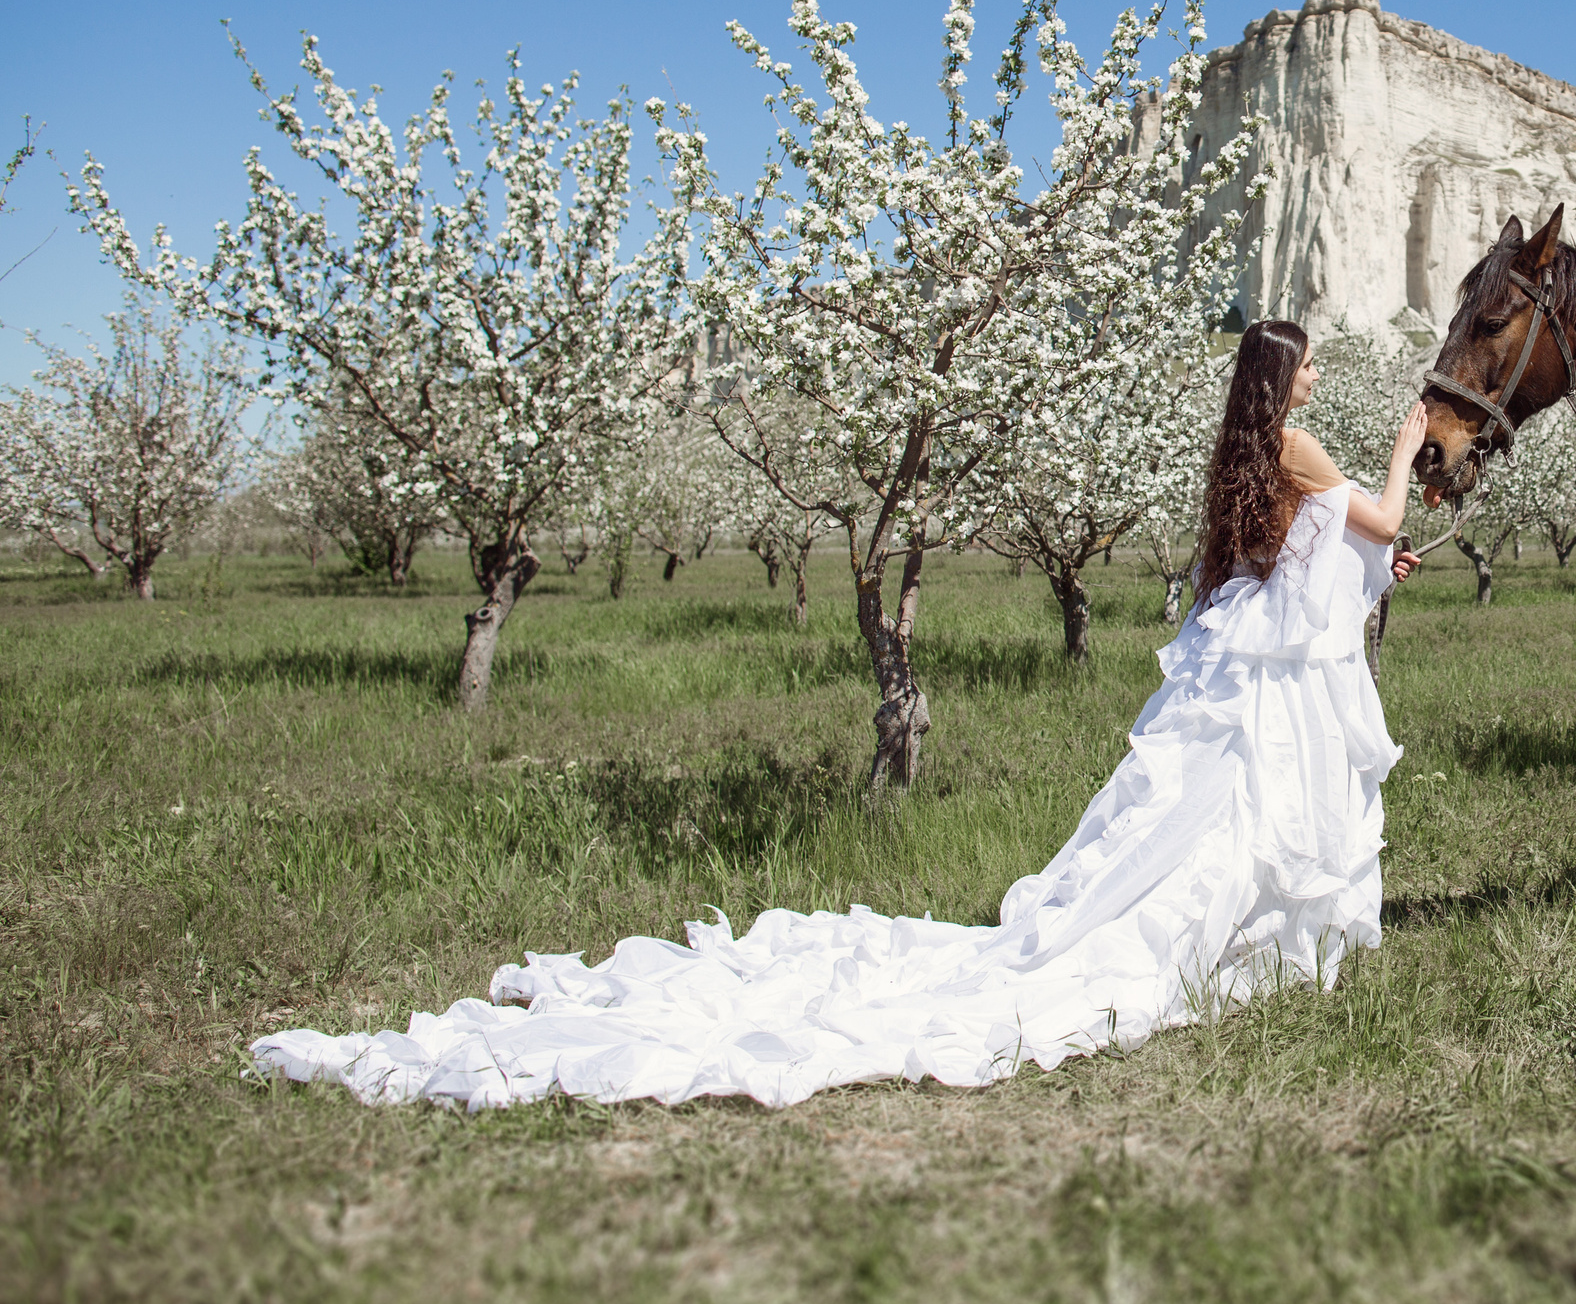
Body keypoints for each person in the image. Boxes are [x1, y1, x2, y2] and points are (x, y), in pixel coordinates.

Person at [251, 319, 1431, 1108]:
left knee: (1200, 821)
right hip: (1259, 684)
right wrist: (1407, 448)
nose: (1320, 374)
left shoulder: (1242, 448)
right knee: (1239, 822)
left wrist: (1368, 550)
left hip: (1231, 674)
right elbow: (1368, 524)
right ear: (1288, 381)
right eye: (1313, 362)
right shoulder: (1300, 439)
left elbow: (1287, 561)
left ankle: (1221, 939)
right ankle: (1231, 948)